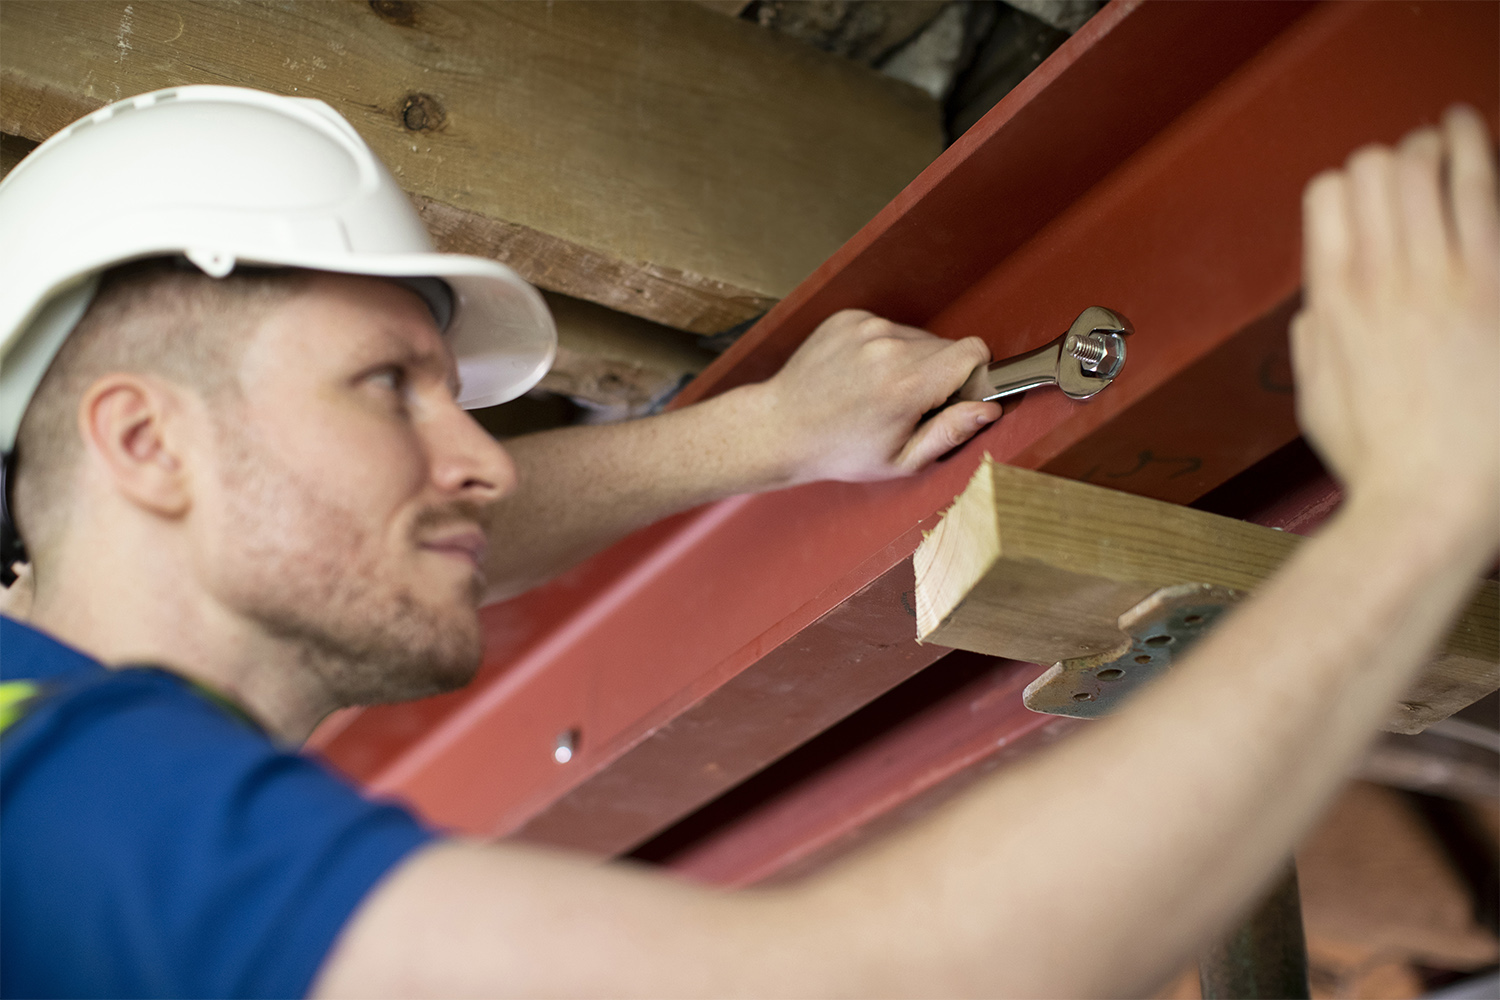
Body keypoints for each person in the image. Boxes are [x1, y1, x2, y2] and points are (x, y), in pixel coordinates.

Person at [0, 82, 1493, 998]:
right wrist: (1419, 514)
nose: (477, 463)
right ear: (145, 443)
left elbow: (383, 527)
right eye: (385, 387)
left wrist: (765, 438)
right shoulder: (62, 803)